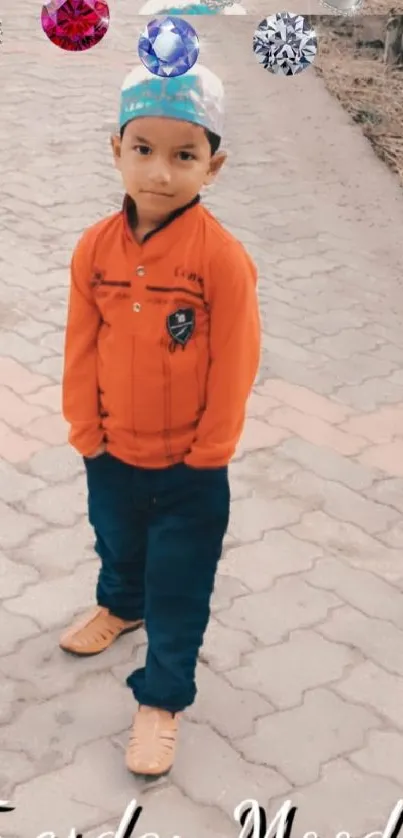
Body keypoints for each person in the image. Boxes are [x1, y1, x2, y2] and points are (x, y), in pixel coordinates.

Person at [60, 62, 261, 777]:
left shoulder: (220, 260)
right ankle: (119, 606)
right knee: (116, 543)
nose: (160, 172)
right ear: (115, 148)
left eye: (184, 155)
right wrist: (84, 428)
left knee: (179, 585)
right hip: (110, 451)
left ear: (214, 165)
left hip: (190, 469)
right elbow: (81, 342)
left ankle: (162, 699)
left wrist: (211, 449)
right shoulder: (94, 249)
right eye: (142, 149)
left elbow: (236, 358)